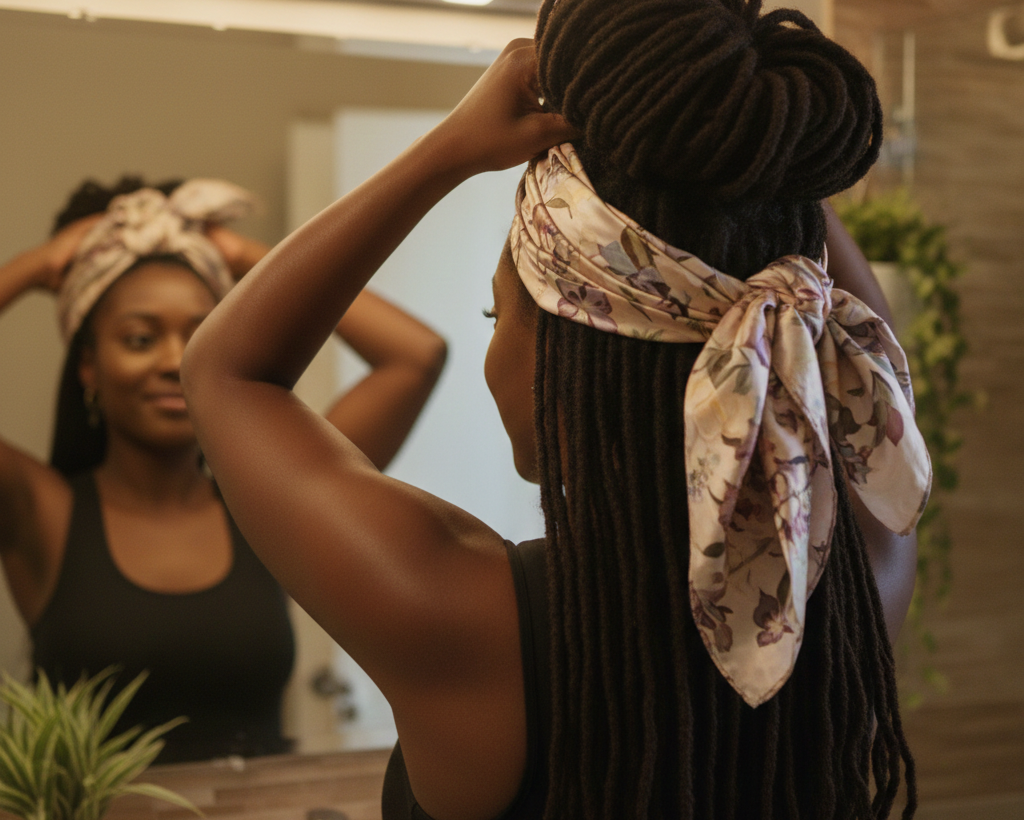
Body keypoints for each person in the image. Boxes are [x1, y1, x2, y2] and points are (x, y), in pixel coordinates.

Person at [182, 1, 931, 817]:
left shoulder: (460, 615)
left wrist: (451, 150)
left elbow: (228, 372)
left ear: (572, 350)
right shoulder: (863, 569)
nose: (490, 349)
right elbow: (859, 361)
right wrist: (752, 157)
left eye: (495, 315)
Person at [0, 176, 447, 763]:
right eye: (139, 338)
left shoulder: (268, 505)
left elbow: (414, 357)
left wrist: (246, 260)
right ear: (89, 366)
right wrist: (39, 266)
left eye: (199, 336)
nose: (171, 362)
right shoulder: (41, 513)